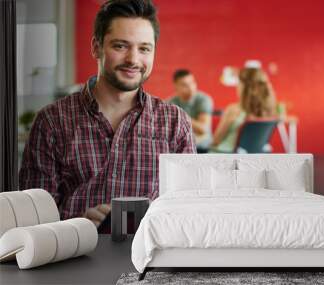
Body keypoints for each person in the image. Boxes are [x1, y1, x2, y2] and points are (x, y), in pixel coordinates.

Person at [19, 0, 196, 228]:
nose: (133, 59)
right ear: (96, 47)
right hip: (72, 257)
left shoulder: (175, 123)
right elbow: (33, 220)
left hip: (150, 260)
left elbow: (189, 213)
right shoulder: (52, 121)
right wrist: (76, 226)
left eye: (144, 48)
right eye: (120, 46)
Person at [210, 67, 277, 153]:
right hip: (253, 158)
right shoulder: (270, 114)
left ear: (244, 86)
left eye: (239, 82)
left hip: (226, 156)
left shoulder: (233, 110)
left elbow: (216, 141)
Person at [169, 69, 213, 153]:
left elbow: (203, 129)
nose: (191, 87)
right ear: (176, 86)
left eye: (192, 82)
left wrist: (179, 116)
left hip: (202, 149)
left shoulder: (204, 99)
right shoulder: (169, 102)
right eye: (184, 85)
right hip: (178, 149)